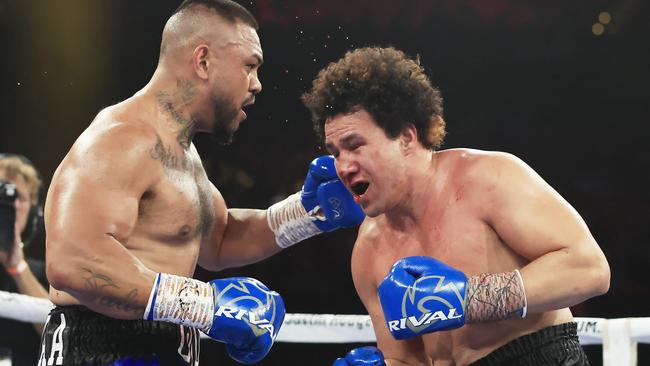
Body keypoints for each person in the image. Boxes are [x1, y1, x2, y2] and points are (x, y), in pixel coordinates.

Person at [38, 1, 364, 365]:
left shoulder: (181, 150)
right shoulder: (123, 138)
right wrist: (202, 304)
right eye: (250, 66)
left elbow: (219, 240)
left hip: (166, 344)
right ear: (203, 61)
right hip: (99, 348)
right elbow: (71, 261)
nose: (257, 84)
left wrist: (307, 214)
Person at [301, 47, 611, 366]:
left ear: (406, 137)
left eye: (354, 146)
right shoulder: (368, 251)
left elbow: (590, 268)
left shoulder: (488, 178)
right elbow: (407, 359)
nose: (343, 166)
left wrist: (470, 299)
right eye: (335, 152)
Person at [0, 153, 50, 365]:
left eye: (14, 196)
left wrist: (17, 266)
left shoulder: (48, 274)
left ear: (32, 213)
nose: (5, 206)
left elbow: (58, 335)